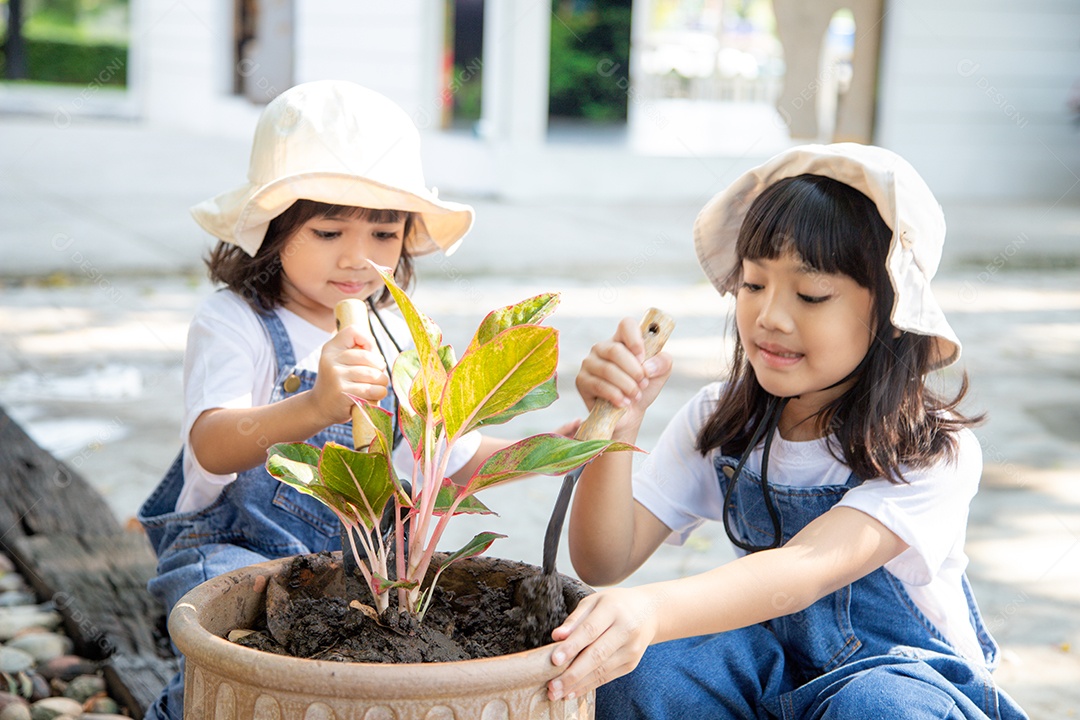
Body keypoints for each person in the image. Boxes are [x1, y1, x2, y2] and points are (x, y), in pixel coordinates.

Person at [548, 144, 1028, 719]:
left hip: (907, 685)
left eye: (811, 294)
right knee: (638, 671)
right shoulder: (722, 420)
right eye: (753, 284)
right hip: (773, 672)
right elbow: (603, 561)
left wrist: (648, 608)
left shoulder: (930, 451)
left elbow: (803, 570)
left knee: (873, 707)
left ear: (893, 312)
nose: (770, 316)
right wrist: (618, 428)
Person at [137, 80, 513, 720]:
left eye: (385, 235)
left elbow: (453, 451)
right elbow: (213, 442)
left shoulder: (399, 332)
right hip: (238, 545)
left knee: (411, 634)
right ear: (274, 231)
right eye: (329, 230)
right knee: (242, 643)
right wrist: (313, 406)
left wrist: (569, 445)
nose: (359, 258)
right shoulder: (237, 321)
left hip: (358, 568)